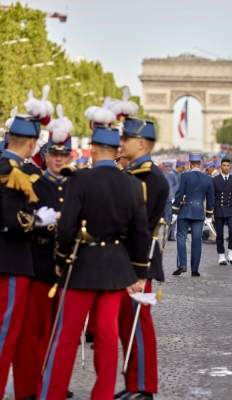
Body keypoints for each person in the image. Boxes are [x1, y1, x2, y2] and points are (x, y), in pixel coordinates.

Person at [39, 123, 149, 399]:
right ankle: (102, 395)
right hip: (115, 267)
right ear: (116, 151)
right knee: (107, 338)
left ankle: (51, 394)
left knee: (66, 337)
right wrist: (139, 271)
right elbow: (140, 234)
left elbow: (66, 229)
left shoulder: (80, 179)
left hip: (82, 264)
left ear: (93, 149)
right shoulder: (134, 184)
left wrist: (61, 259)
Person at [13, 107, 75, 400]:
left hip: (70, 268)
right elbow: (22, 221)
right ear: (45, 155)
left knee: (62, 334)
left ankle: (55, 382)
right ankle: (34, 386)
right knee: (35, 331)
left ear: (71, 156)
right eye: (54, 153)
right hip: (39, 263)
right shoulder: (32, 184)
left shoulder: (78, 186)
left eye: (64, 154)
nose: (59, 158)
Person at [0, 115, 57, 399]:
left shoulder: (12, 166)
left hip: (19, 262)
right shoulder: (11, 169)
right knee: (5, 334)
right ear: (33, 143)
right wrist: (38, 220)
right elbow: (12, 219)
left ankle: (28, 391)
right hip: (11, 260)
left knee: (22, 334)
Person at [116, 118, 169, 400]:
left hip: (137, 259)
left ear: (140, 143)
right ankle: (134, 382)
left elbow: (135, 225)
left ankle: (144, 387)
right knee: (128, 325)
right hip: (129, 257)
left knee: (138, 324)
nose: (120, 144)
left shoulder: (147, 178)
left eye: (125, 139)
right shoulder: (135, 174)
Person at [172, 153, 215, 277]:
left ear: (190, 164)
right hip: (199, 212)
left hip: (185, 210)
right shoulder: (207, 178)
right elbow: (210, 199)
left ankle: (182, 264)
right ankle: (195, 270)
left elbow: (179, 194)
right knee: (197, 241)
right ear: (200, 164)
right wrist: (208, 215)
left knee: (181, 237)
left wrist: (174, 211)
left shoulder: (185, 176)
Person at [213, 158, 232, 265]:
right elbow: (212, 197)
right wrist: (211, 212)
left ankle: (231, 254)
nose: (226, 167)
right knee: (219, 234)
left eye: (228, 165)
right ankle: (221, 256)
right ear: (221, 166)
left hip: (230, 209)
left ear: (230, 167)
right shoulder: (215, 180)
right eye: (224, 165)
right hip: (218, 208)